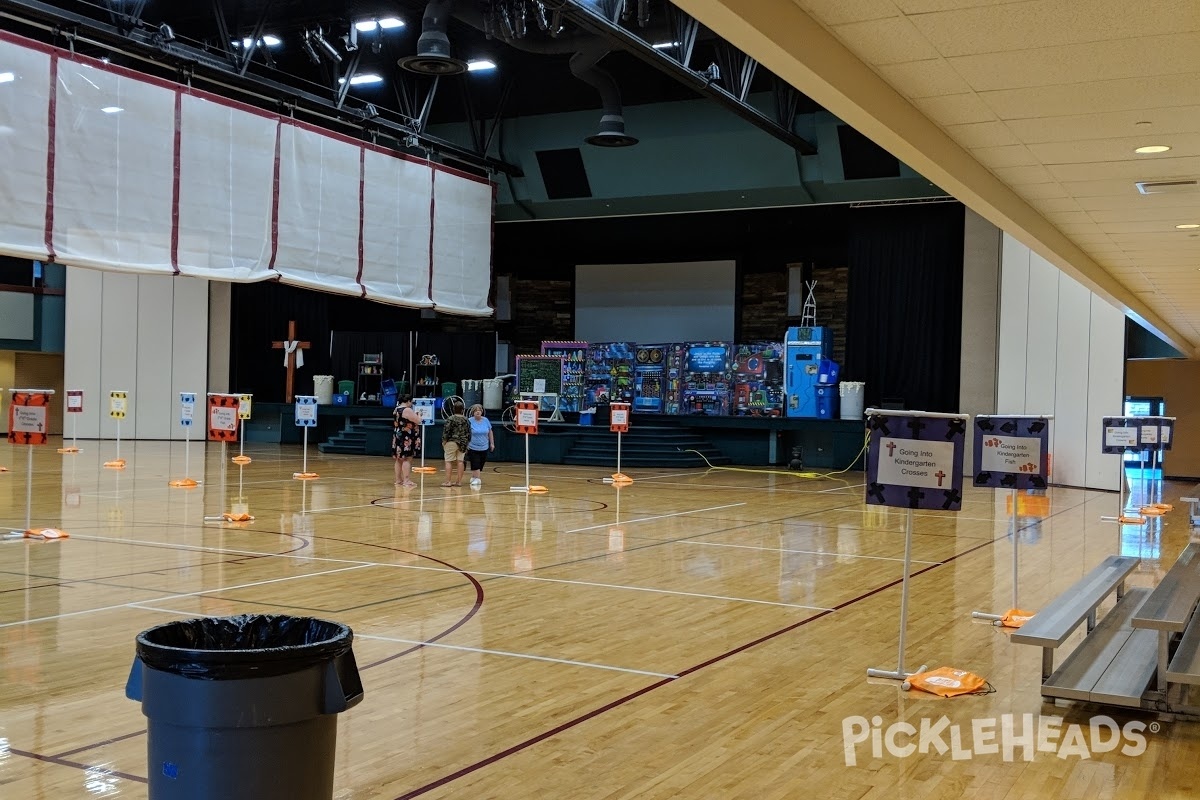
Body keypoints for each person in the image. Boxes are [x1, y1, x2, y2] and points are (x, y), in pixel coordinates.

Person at [392, 394, 422, 487]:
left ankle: (398, 480)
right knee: (406, 458)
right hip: (406, 437)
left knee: (398, 459)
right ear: (408, 401)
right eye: (411, 402)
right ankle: (406, 480)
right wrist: (419, 415)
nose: (411, 404)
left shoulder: (396, 409)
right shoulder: (407, 410)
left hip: (398, 435)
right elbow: (418, 420)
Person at [441, 399, 471, 487]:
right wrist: (467, 442)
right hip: (463, 442)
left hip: (451, 441)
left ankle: (448, 481)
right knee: (460, 461)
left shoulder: (451, 419)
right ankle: (459, 481)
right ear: (463, 409)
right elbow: (469, 432)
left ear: (453, 409)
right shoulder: (466, 420)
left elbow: (446, 431)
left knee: (448, 461)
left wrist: (444, 441)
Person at [466, 403, 494, 487]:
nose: (478, 412)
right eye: (476, 411)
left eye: (479, 411)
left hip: (484, 446)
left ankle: (474, 476)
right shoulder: (469, 421)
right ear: (473, 412)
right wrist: (466, 444)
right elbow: (466, 433)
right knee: (475, 463)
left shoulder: (486, 420)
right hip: (473, 446)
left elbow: (490, 432)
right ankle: (477, 478)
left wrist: (492, 443)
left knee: (481, 463)